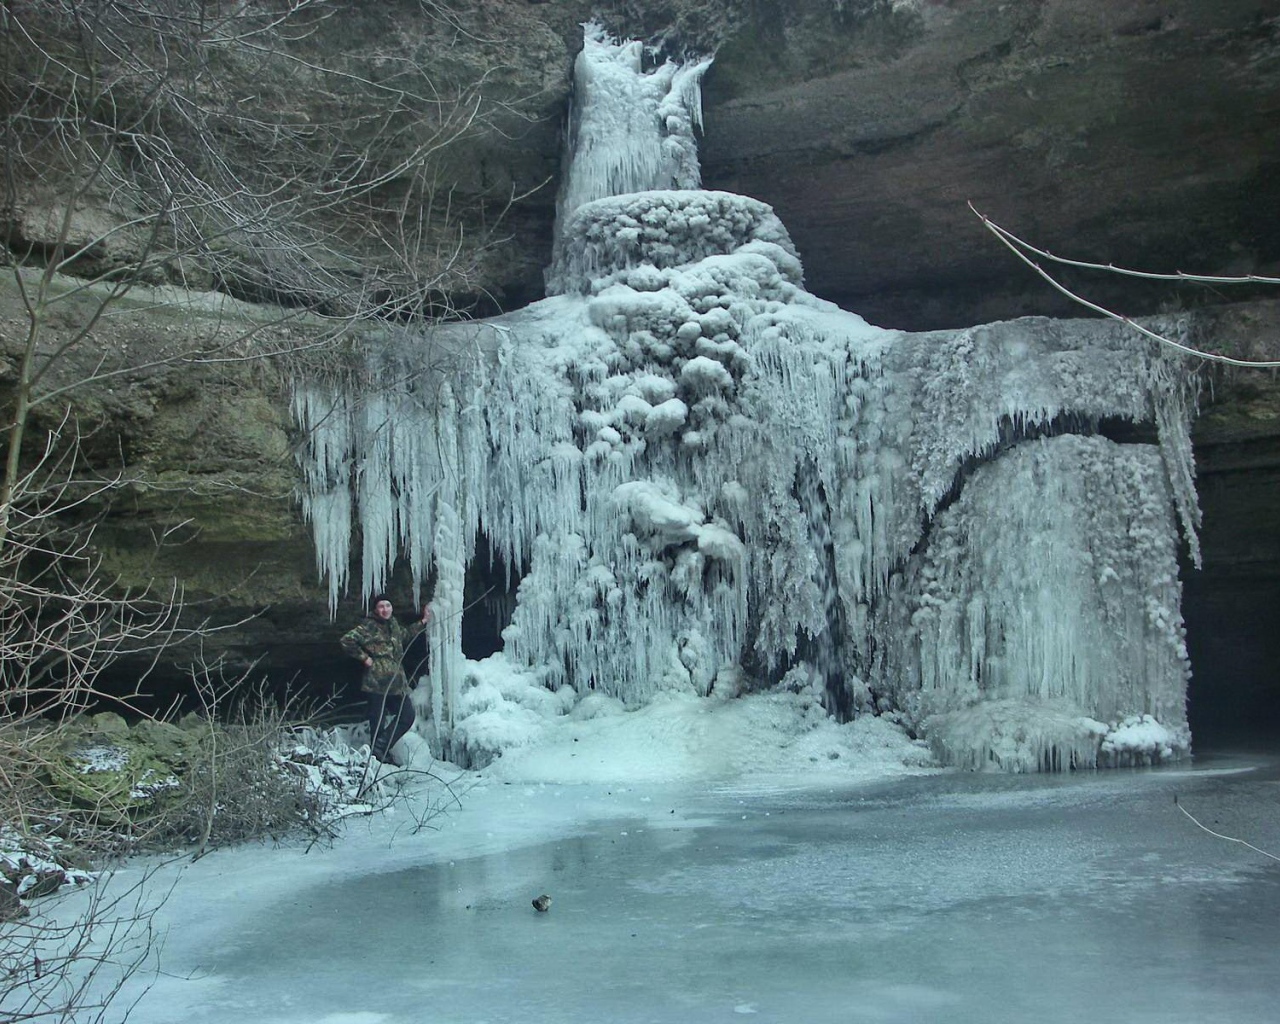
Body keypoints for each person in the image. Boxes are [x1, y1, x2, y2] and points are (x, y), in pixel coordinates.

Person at [340, 594, 432, 765]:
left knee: (407, 715)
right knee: (377, 719)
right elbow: (347, 640)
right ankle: (377, 757)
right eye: (381, 606)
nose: (385, 609)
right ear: (376, 609)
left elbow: (405, 635)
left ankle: (381, 746)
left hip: (396, 682)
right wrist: (365, 658)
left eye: (388, 605)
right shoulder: (369, 626)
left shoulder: (393, 625)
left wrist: (424, 620)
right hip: (376, 682)